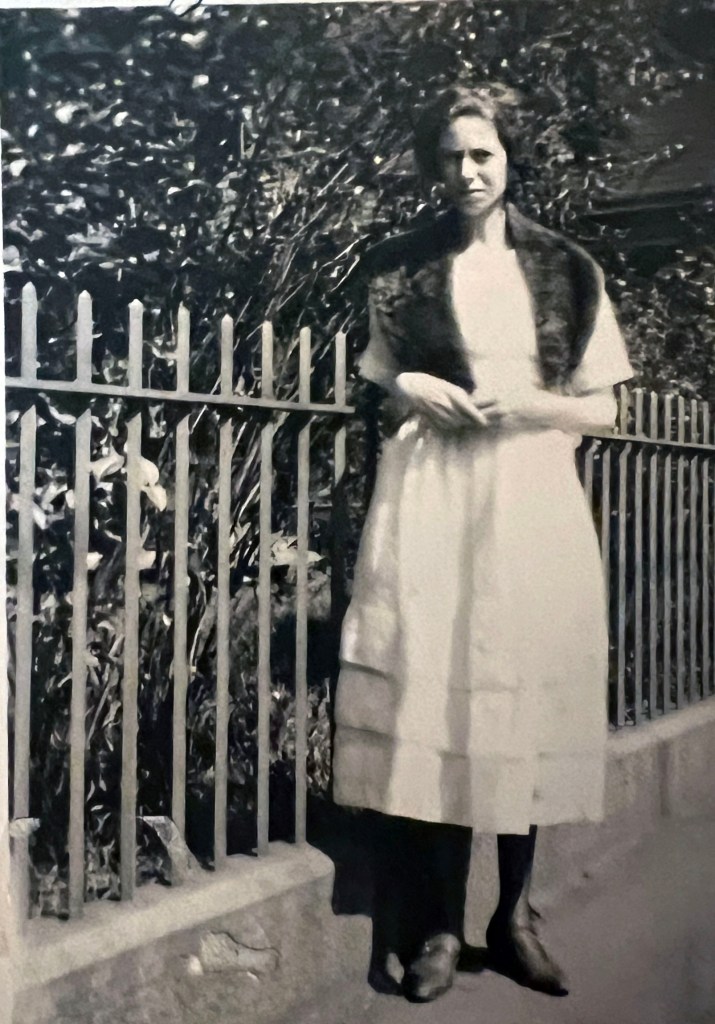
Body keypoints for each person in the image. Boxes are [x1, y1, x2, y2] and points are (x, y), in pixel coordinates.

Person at [331, 83, 634, 1003]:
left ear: (509, 161)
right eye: (452, 156)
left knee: (519, 695)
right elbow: (379, 375)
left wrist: (533, 403)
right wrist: (412, 387)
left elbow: (603, 407)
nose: (467, 171)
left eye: (483, 154)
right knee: (440, 687)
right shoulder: (400, 268)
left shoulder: (565, 268)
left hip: (527, 495)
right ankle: (437, 925)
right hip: (432, 492)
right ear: (435, 165)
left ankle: (513, 918)